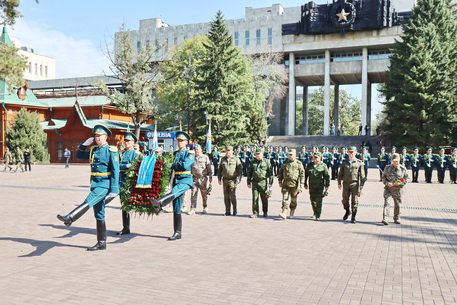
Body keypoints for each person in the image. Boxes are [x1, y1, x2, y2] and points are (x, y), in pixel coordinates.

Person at [57, 125, 120, 250]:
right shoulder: (94, 150)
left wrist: (114, 189)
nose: (97, 138)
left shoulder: (111, 150)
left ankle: (70, 217)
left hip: (104, 183)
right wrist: (84, 145)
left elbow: (115, 170)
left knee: (89, 200)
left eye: (99, 136)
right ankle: (102, 242)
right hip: (95, 183)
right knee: (99, 214)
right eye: (95, 136)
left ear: (106, 137)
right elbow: (80, 156)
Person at [151, 131, 194, 241]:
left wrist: (173, 164)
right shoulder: (175, 154)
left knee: (174, 192)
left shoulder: (190, 154)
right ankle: (177, 232)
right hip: (176, 180)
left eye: (182, 141)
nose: (179, 142)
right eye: (178, 140)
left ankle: (159, 203)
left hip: (185, 180)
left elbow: (184, 165)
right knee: (176, 208)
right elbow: (170, 169)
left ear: (186, 142)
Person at [117, 131, 141, 235]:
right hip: (121, 181)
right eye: (125, 140)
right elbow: (116, 165)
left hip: (129, 182)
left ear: (133, 142)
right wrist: (124, 166)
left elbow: (136, 166)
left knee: (127, 205)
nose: (126, 142)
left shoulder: (135, 154)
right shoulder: (121, 153)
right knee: (124, 205)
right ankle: (126, 227)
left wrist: (125, 166)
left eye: (128, 141)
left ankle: (126, 227)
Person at [337, 146, 366, 223]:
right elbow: (340, 174)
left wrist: (362, 184)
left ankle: (353, 216)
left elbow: (362, 175)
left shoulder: (359, 162)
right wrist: (339, 183)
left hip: (355, 184)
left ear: (356, 152)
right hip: (346, 184)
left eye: (352, 152)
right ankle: (347, 211)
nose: (351, 153)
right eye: (349, 152)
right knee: (344, 200)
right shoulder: (344, 162)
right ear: (347, 152)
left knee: (354, 201)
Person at [381, 153, 409, 225]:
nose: (395, 163)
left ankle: (397, 218)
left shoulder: (403, 169)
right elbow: (383, 178)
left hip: (398, 190)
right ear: (391, 161)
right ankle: (385, 218)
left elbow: (407, 178)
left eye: (397, 161)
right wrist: (387, 183)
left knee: (397, 204)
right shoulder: (387, 168)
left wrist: (400, 183)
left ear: (399, 160)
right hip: (388, 189)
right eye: (394, 161)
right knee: (387, 202)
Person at [278, 149, 305, 220]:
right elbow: (280, 172)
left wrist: (302, 183)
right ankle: (284, 212)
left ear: (295, 155)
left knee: (293, 200)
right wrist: (280, 181)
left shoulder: (299, 163)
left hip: (294, 185)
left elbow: (302, 174)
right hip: (285, 184)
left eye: (291, 154)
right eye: (289, 154)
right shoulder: (285, 163)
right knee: (284, 198)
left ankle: (292, 212)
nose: (290, 156)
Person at [247, 148, 273, 218]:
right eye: (256, 154)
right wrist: (248, 182)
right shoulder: (252, 162)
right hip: (254, 182)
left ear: (262, 154)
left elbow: (270, 173)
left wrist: (270, 182)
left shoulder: (266, 162)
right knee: (255, 198)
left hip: (263, 182)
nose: (257, 155)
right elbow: (249, 172)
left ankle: (265, 212)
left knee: (264, 198)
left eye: (259, 154)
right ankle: (255, 213)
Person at [217, 145, 243, 216]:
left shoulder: (236, 159)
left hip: (233, 180)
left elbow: (240, 169)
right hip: (225, 180)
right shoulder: (223, 159)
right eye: (226, 151)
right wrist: (219, 179)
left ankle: (235, 210)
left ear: (232, 151)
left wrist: (239, 178)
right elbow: (219, 170)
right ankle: (227, 211)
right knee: (226, 196)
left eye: (229, 151)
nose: (227, 152)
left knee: (232, 195)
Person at [304, 152, 330, 221]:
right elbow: (305, 175)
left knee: (319, 201)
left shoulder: (323, 166)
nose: (315, 158)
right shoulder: (309, 165)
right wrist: (305, 184)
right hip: (311, 185)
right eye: (314, 157)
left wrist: (327, 185)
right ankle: (315, 211)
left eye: (316, 157)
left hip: (320, 186)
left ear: (320, 158)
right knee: (313, 200)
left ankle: (318, 215)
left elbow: (327, 176)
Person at [189, 144, 212, 215]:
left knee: (204, 194)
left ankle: (205, 207)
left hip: (203, 178)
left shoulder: (205, 157)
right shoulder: (192, 157)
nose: (196, 151)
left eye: (198, 149)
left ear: (201, 150)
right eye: (195, 149)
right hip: (194, 178)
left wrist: (210, 176)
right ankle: (192, 208)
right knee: (193, 194)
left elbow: (209, 168)